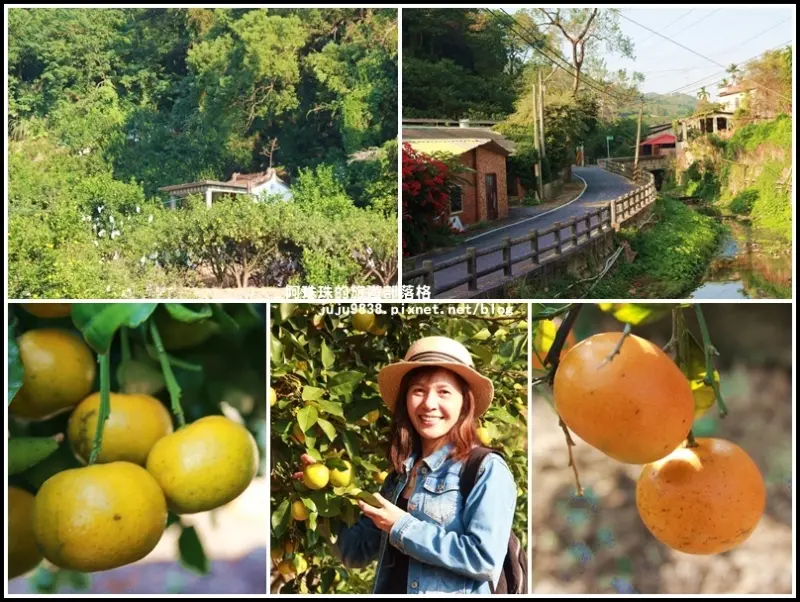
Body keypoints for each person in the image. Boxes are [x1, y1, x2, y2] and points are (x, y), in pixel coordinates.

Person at [332, 336, 518, 594]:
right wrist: (323, 497)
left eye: (444, 392)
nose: (429, 404)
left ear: (464, 402)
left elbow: (483, 558)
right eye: (418, 390)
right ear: (406, 400)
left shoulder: (485, 470)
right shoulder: (399, 476)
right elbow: (355, 552)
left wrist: (402, 526)